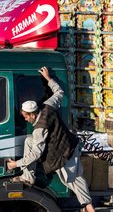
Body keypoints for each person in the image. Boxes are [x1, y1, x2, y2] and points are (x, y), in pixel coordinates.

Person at [6, 67, 95, 212]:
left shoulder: (39, 129)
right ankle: (28, 177)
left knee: (72, 179)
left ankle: (89, 207)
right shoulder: (48, 106)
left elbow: (36, 154)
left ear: (33, 115)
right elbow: (59, 92)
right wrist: (48, 78)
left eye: (26, 116)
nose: (25, 119)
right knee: (28, 141)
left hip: (66, 151)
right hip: (59, 147)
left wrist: (16, 164)